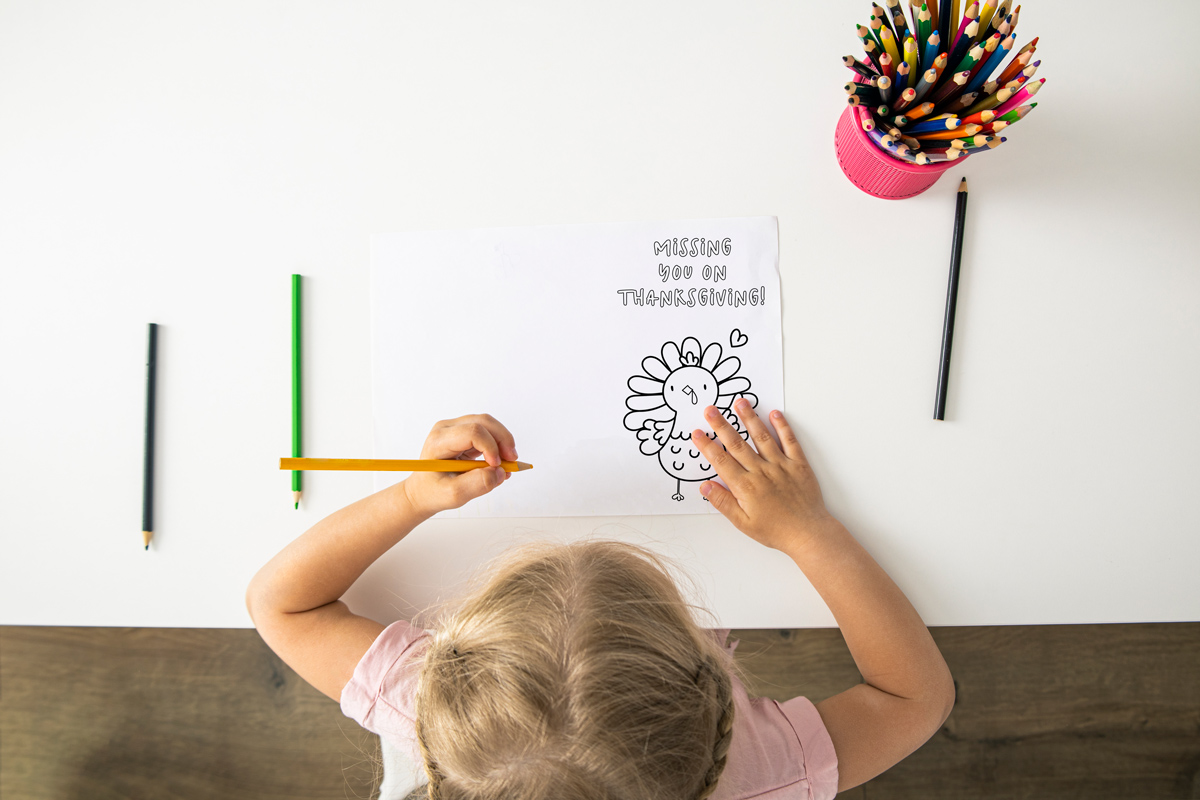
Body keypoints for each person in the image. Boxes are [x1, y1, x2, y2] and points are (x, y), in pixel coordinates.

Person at [246, 401, 954, 799]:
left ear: (446, 677)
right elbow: (911, 698)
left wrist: (409, 493)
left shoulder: (419, 706)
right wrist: (809, 532)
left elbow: (282, 603)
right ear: (706, 683)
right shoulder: (761, 775)